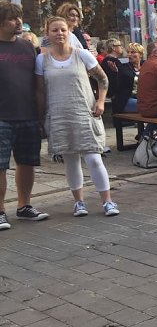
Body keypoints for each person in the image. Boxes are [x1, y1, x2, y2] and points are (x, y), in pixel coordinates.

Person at [35, 17, 119, 217]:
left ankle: (107, 201)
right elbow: (39, 91)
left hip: (83, 112)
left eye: (63, 29)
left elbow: (102, 78)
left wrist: (100, 102)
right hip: (58, 115)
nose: (60, 33)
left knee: (94, 158)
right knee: (71, 160)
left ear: (68, 32)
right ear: (47, 34)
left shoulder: (81, 55)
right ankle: (78, 202)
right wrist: (41, 117)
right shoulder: (41, 60)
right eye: (55, 30)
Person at [0, 1, 49, 230]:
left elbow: (37, 82)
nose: (19, 22)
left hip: (27, 114)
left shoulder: (28, 47)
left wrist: (40, 114)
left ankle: (24, 206)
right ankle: (0, 211)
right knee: (0, 166)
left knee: (27, 163)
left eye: (19, 17)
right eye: (12, 18)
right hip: (2, 116)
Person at [113, 42, 144, 113]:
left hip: (144, 98)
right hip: (128, 100)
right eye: (128, 52)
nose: (129, 55)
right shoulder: (123, 68)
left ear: (140, 54)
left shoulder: (146, 66)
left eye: (133, 52)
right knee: (149, 106)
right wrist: (115, 73)